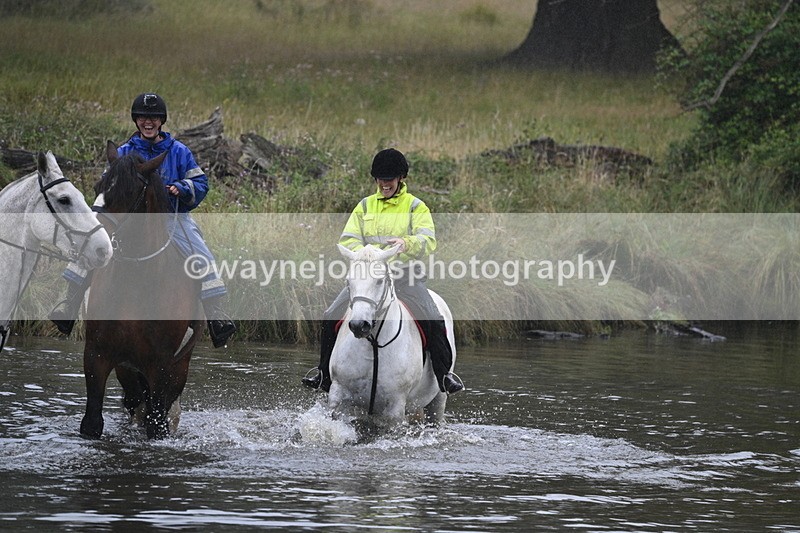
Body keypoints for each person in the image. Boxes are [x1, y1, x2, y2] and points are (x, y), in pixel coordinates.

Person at [50, 92, 236, 348]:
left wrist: (182, 187)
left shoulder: (179, 151)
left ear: (162, 121)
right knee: (91, 242)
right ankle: (68, 305)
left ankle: (216, 315)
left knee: (198, 249)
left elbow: (201, 182)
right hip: (125, 218)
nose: (148, 122)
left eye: (154, 118)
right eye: (143, 118)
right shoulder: (124, 151)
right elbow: (107, 183)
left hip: (171, 216)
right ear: (136, 120)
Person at [303, 148, 463, 395]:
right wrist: (367, 254)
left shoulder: (415, 206)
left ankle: (444, 375)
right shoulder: (365, 205)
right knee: (331, 314)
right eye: (380, 179)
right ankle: (323, 374)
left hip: (405, 277)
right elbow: (348, 240)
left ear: (400, 178)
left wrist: (406, 243)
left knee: (432, 316)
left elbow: (428, 240)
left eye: (389, 179)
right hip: (368, 280)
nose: (384, 184)